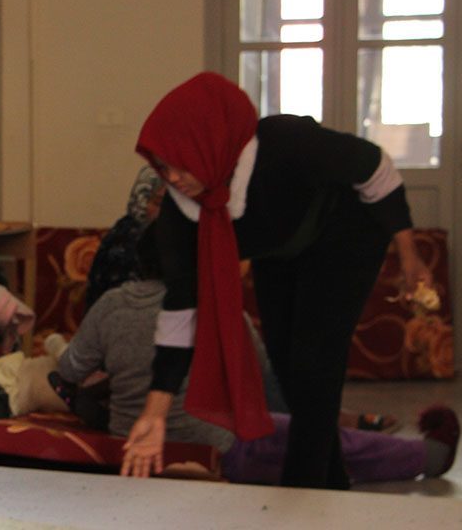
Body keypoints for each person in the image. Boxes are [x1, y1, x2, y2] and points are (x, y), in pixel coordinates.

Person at [122, 72, 433, 489]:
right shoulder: (182, 212)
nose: (173, 178)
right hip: (281, 252)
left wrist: (409, 256)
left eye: (180, 162)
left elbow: (375, 167)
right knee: (289, 372)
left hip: (346, 234)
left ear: (209, 146)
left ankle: (301, 497)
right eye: (163, 167)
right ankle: (334, 484)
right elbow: (180, 310)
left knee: (313, 365)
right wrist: (154, 412)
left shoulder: (288, 145)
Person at [55, 230, 460, 485]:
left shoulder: (110, 305)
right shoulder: (215, 307)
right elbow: (270, 387)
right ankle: (426, 456)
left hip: (132, 445)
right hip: (222, 448)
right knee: (318, 438)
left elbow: (69, 370)